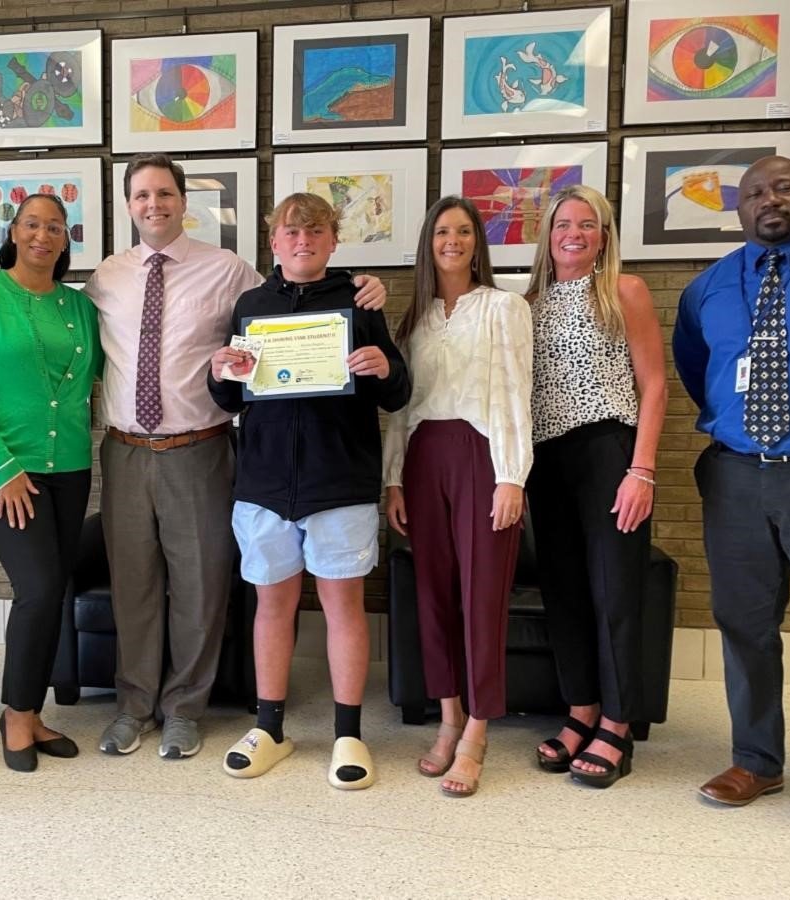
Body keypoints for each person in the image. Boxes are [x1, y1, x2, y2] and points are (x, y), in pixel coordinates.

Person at [83, 154, 386, 760]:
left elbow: (291, 301)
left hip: (200, 448)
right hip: (123, 450)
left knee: (199, 586)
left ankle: (184, 710)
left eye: (165, 193)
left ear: (182, 200)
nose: (154, 204)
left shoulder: (230, 273)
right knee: (134, 584)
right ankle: (133, 705)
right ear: (128, 203)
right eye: (142, 194)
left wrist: (365, 284)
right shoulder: (104, 277)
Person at [673, 155, 790, 861]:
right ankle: (758, 761)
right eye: (752, 193)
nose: (769, 200)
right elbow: (696, 367)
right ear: (737, 209)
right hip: (737, 476)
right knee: (743, 624)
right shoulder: (709, 287)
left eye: (784, 186)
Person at [208, 192, 409, 789]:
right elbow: (230, 397)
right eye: (292, 233)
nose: (303, 242)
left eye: (315, 232)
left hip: (339, 479)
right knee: (273, 603)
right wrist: (220, 370)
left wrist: (384, 367)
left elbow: (397, 393)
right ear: (273, 242)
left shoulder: (360, 300)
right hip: (264, 481)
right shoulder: (251, 304)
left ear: (332, 240)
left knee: (343, 603)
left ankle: (349, 733)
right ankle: (270, 726)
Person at [0, 193, 102, 773]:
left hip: (71, 467)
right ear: (13, 232)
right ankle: (14, 714)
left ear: (66, 240)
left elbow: (106, 374)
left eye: (54, 227)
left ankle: (32, 714)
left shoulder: (78, 307)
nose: (42, 235)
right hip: (4, 470)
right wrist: (2, 468)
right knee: (36, 588)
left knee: (54, 589)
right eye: (32, 224)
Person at [383, 195, 533, 797]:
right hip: (423, 458)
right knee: (432, 595)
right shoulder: (413, 318)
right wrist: (392, 478)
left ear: (478, 241)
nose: (453, 240)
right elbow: (397, 408)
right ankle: (446, 718)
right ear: (429, 242)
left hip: (482, 457)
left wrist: (512, 475)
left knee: (481, 596)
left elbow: (519, 393)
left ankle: (477, 729)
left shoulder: (503, 307)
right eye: (442, 230)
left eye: (464, 231)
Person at [525, 184, 666, 789]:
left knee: (614, 591)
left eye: (588, 224)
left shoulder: (623, 290)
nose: (574, 233)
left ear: (604, 235)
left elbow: (655, 385)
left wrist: (642, 470)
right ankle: (580, 707)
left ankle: (617, 721)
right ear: (547, 234)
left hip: (609, 452)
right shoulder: (528, 301)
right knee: (564, 592)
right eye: (563, 223)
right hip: (546, 458)